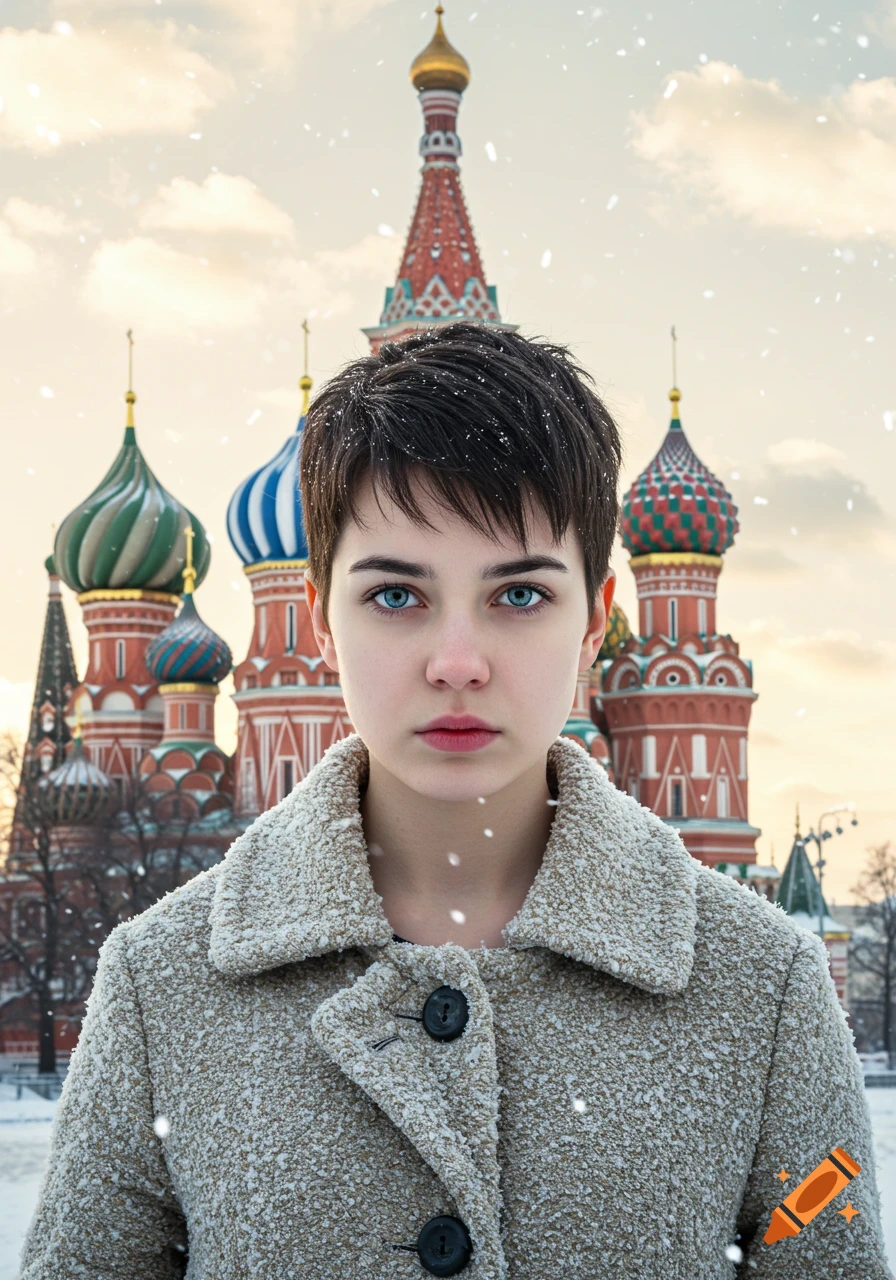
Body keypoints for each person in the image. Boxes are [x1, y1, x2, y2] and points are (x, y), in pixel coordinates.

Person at [21, 321, 892, 1279]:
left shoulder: (760, 991)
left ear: (597, 619)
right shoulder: (164, 986)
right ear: (319, 619)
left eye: (519, 596)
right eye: (397, 596)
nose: (458, 663)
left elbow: (822, 1237)